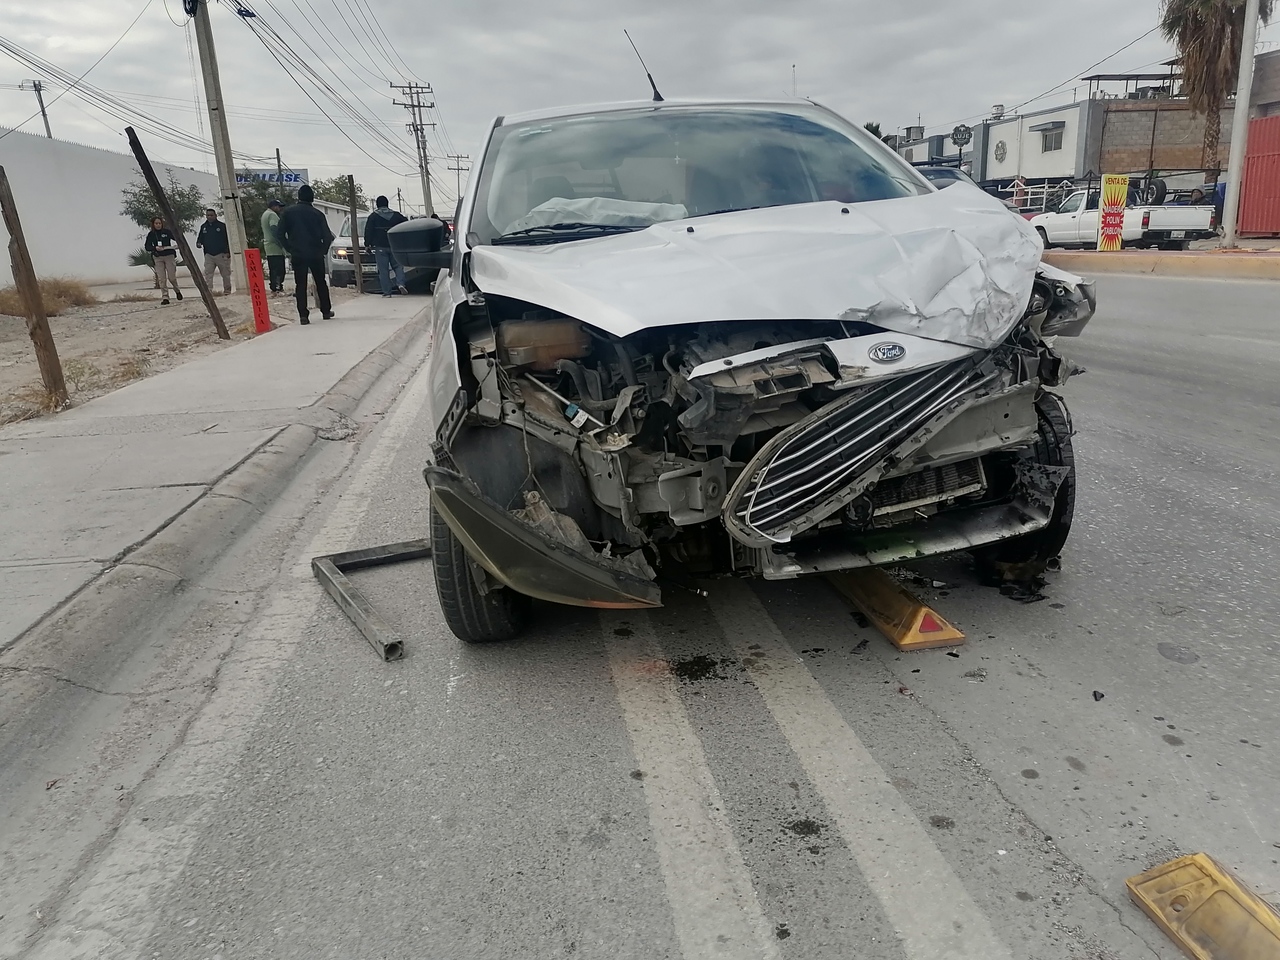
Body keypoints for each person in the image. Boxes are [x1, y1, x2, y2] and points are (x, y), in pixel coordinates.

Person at [277, 184, 335, 324]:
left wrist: (289, 248)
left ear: (298, 197)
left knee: (300, 284)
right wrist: (323, 250)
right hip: (315, 253)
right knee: (320, 282)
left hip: (298, 253)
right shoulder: (318, 214)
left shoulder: (288, 213)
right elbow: (328, 236)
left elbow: (279, 234)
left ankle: (303, 315)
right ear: (312, 198)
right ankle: (326, 311)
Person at [363, 195, 408, 297]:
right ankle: (401, 284)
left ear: (377, 205)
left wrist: (367, 245)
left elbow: (368, 231)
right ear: (387, 204)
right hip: (395, 245)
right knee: (398, 267)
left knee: (383, 270)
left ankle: (387, 292)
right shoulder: (397, 216)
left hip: (380, 247)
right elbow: (406, 225)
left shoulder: (373, 217)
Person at [143, 216, 183, 305]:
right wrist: (155, 248)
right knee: (162, 278)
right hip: (158, 257)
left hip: (169, 255)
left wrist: (178, 245)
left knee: (172, 277)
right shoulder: (151, 234)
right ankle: (165, 297)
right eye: (156, 223)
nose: (158, 225)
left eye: (159, 223)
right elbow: (147, 246)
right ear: (153, 224)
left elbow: (177, 238)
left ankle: (177, 290)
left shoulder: (167, 232)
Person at [196, 208, 232, 295]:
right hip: (209, 255)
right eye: (208, 215)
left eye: (211, 215)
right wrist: (198, 243)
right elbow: (200, 239)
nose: (209, 217)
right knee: (208, 274)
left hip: (221, 254)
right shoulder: (204, 227)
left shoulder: (222, 226)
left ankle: (227, 291)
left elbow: (228, 240)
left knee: (225, 274)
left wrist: (228, 252)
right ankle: (209, 291)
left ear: (215, 216)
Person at [260, 198, 287, 297]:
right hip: (275, 246)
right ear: (274, 207)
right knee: (279, 270)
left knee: (273, 269)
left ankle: (274, 289)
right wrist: (281, 242)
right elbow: (274, 229)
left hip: (269, 246)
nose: (280, 209)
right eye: (279, 206)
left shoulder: (265, 214)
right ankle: (278, 288)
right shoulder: (272, 215)